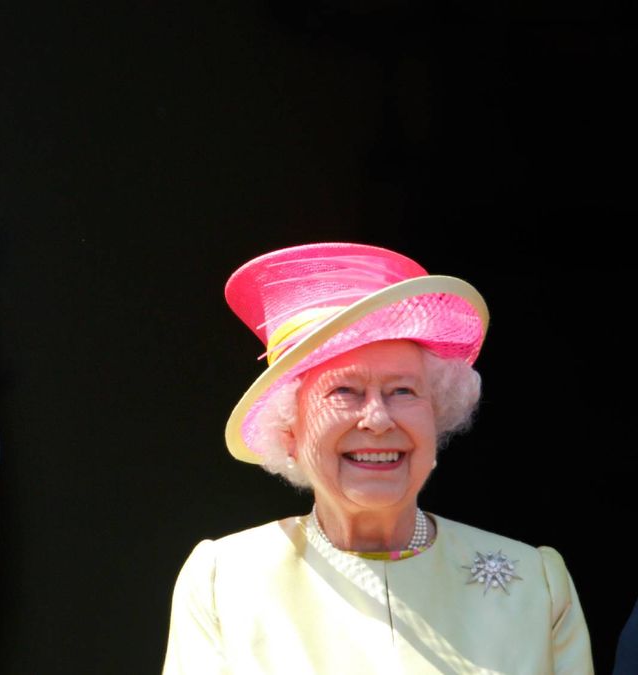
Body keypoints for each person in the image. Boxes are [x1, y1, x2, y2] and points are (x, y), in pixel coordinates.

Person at [162, 243, 592, 674]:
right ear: (289, 430)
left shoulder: (536, 582)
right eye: (344, 391)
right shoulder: (225, 578)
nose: (378, 419)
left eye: (402, 391)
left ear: (436, 418)